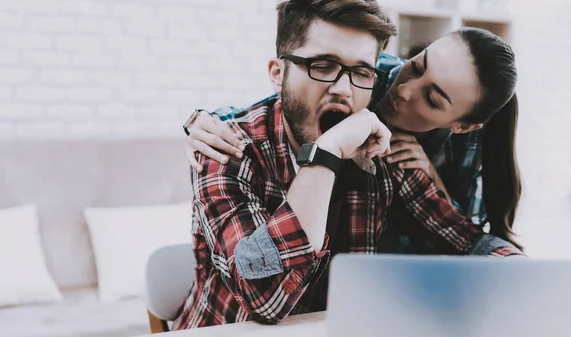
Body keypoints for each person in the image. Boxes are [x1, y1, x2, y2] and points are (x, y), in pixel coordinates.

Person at [172, 0, 522, 330]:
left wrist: (530, 278)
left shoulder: (379, 150)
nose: (343, 89)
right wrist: (325, 154)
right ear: (278, 74)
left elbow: (466, 244)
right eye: (322, 65)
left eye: (360, 72)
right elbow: (265, 298)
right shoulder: (225, 149)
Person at [184, 26, 522, 250]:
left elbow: (465, 238)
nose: (402, 90)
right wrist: (205, 120)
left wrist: (434, 182)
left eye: (432, 100)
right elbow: (285, 104)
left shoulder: (466, 145)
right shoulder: (369, 76)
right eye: (417, 65)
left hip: (402, 262)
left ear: (461, 125)